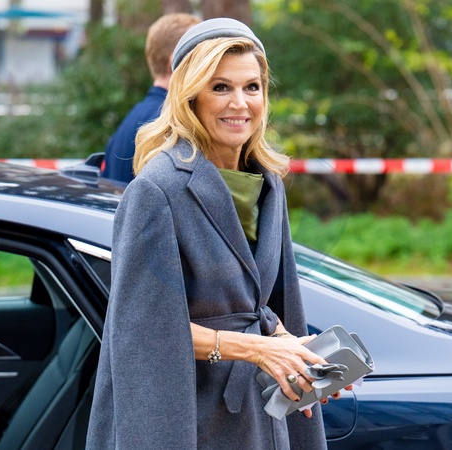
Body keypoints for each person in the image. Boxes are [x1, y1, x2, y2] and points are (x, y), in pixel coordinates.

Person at [87, 18, 344, 449]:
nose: (239, 103)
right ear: (190, 96)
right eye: (220, 87)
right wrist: (257, 349)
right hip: (188, 422)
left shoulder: (267, 182)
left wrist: (298, 355)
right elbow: (144, 331)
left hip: (260, 419)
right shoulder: (157, 190)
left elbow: (267, 305)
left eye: (252, 87)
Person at [101, 13, 201, 183]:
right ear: (177, 62)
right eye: (201, 56)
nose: (210, 65)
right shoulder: (170, 123)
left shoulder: (134, 117)